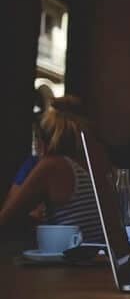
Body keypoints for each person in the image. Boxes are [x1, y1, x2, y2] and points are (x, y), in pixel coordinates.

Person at [0, 95, 104, 243]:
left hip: (71, 262)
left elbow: (6, 218)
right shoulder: (90, 165)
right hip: (95, 260)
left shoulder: (52, 166)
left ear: (42, 141)